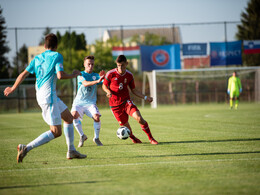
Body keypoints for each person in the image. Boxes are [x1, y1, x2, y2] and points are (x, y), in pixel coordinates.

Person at [4, 33, 86, 163]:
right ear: (56, 45)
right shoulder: (57, 56)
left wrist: (13, 88)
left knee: (69, 118)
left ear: (44, 45)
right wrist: (73, 75)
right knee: (56, 131)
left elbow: (23, 74)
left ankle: (71, 150)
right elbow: (60, 75)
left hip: (42, 95)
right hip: (49, 96)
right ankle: (26, 147)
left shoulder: (37, 58)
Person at [102, 55, 158, 145]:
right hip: (115, 106)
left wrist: (146, 97)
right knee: (127, 129)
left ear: (126, 64)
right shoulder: (110, 73)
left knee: (139, 118)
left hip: (126, 102)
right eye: (118, 65)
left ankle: (151, 138)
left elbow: (134, 90)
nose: (120, 67)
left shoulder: (129, 75)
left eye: (122, 65)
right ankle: (133, 138)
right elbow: (104, 85)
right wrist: (108, 91)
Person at [71, 55, 105, 147]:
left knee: (97, 117)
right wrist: (98, 81)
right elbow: (85, 84)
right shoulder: (80, 75)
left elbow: (105, 83)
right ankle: (82, 136)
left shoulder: (96, 76)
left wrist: (105, 78)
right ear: (84, 64)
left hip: (90, 103)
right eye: (89, 64)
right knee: (74, 115)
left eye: (92, 64)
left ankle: (96, 138)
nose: (91, 66)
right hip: (79, 103)